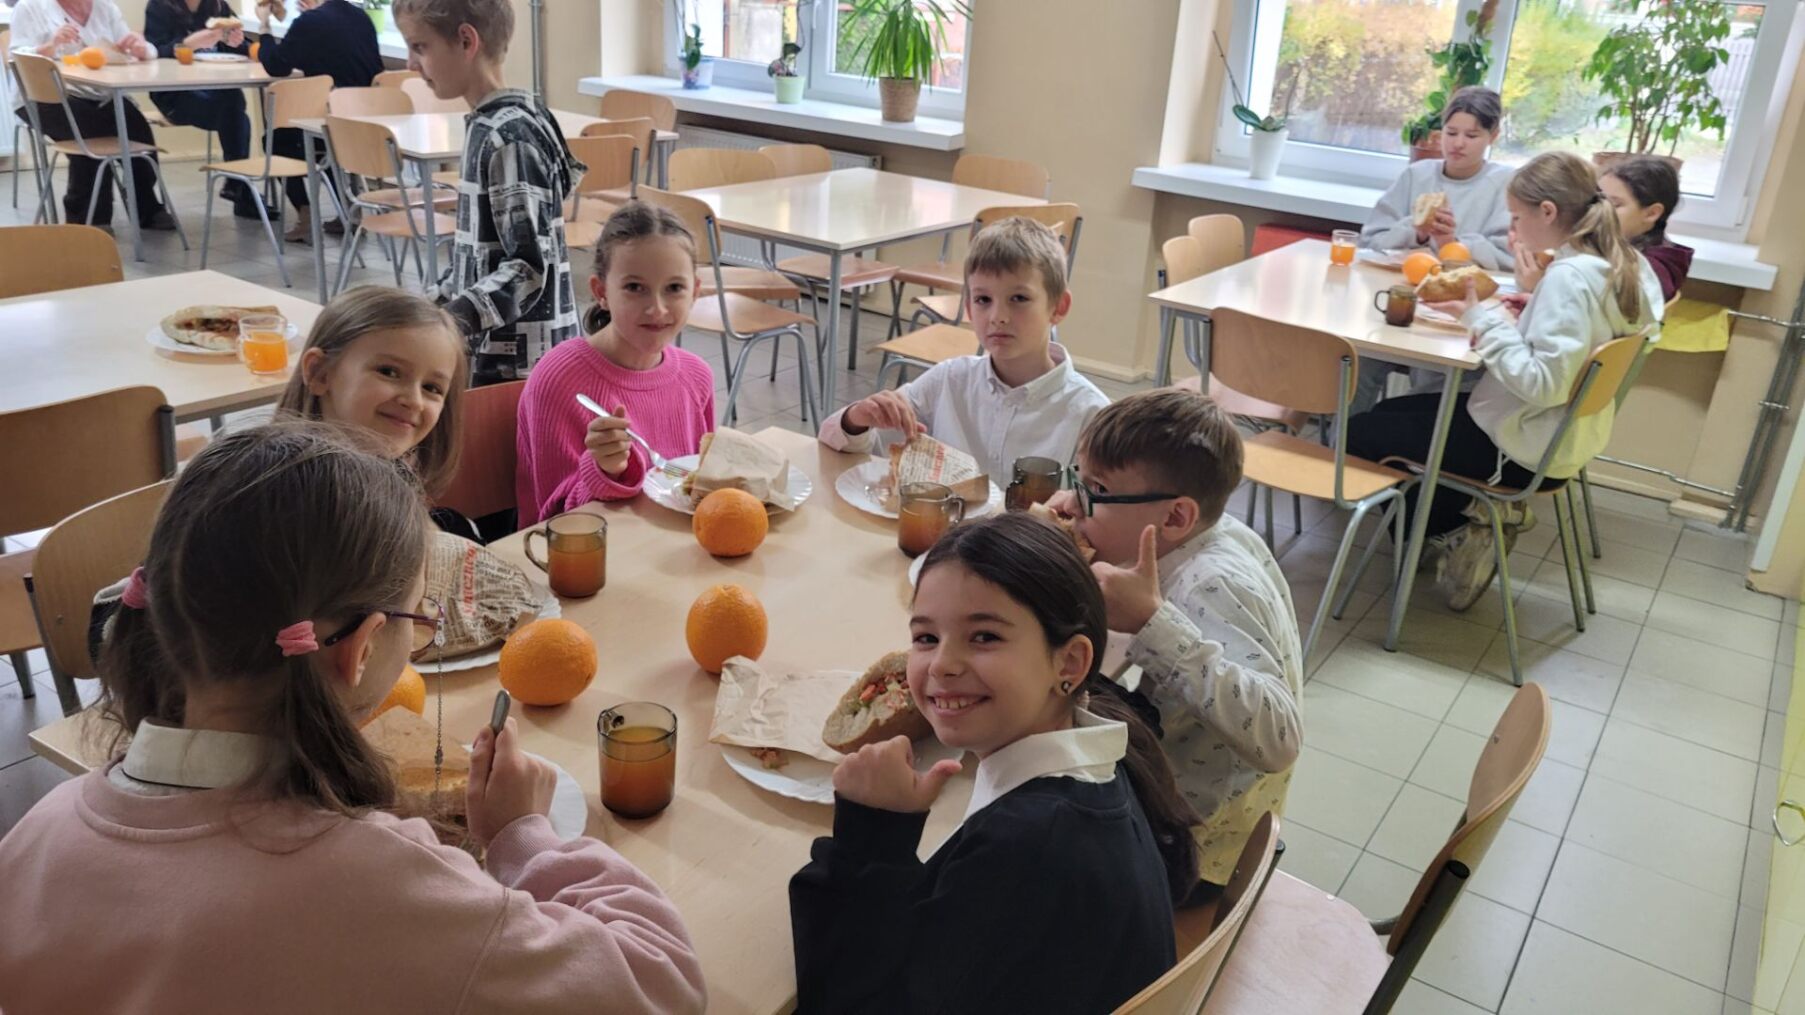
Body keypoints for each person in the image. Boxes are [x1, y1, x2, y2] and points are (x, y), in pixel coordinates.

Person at [0, 424, 707, 1014]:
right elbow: (660, 981)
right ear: (362, 648)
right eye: (417, 618)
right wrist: (525, 837)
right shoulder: (386, 885)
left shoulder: (36, 834)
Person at [790, 512, 1197, 1014]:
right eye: (926, 637)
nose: (942, 664)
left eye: (984, 637)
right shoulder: (1103, 757)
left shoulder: (1029, 849)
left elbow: (838, 1002)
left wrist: (870, 834)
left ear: (1070, 663)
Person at [1346, 151, 1665, 610]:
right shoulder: (1621, 261)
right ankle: (1439, 527)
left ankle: (1457, 529)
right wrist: (1531, 308)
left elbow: (1545, 385)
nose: (1513, 227)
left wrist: (1480, 319)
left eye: (1516, 217)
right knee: (1391, 414)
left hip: (1520, 446)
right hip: (1557, 435)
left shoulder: (1568, 277)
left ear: (1548, 212)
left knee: (1361, 434)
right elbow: (1584, 339)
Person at [1046, 388, 1303, 901]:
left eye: (1096, 490)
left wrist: (1152, 623)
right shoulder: (1209, 532)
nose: (1073, 503)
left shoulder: (1211, 583)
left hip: (1194, 848)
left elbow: (1281, 737)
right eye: (1078, 479)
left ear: (1175, 518)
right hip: (1180, 793)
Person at [817, 216, 1109, 485]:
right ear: (968, 308)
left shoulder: (1090, 415)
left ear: (1058, 307)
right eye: (983, 300)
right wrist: (857, 419)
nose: (998, 316)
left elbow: (1104, 513)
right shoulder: (949, 380)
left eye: (1019, 298)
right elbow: (836, 442)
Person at [394, 0, 584, 384]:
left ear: (466, 41)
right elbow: (480, 257)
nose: (411, 64)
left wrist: (452, 319)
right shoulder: (492, 123)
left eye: (419, 47)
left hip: (519, 371)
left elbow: (528, 268)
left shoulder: (508, 136)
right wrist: (425, 307)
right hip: (496, 353)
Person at [514, 201, 713, 525]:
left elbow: (697, 487)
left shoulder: (696, 376)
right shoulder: (559, 378)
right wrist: (605, 471)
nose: (657, 309)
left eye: (675, 288)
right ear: (601, 292)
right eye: (635, 287)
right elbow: (554, 519)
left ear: (695, 292)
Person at [1354, 86, 1513, 412]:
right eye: (1451, 133)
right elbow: (1370, 241)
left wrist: (1453, 242)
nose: (1458, 143)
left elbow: (1508, 259)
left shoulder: (1505, 184)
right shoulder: (1417, 175)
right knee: (1360, 359)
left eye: (1472, 135)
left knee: (1435, 371)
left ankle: (1407, 436)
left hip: (1456, 317)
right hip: (1398, 300)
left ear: (1493, 136)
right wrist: (1416, 231)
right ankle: (1346, 439)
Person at [276, 285, 467, 498]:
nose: (415, 401)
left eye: (431, 388)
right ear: (319, 372)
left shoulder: (397, 481)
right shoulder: (283, 496)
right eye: (389, 372)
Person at [8, 0, 175, 229]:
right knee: (90, 136)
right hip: (44, 97)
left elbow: (141, 50)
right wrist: (50, 46)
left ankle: (146, 207)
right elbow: (16, 56)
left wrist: (141, 48)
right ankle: (89, 219)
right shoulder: (31, 7)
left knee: (137, 130)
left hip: (98, 94)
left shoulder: (106, 8)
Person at [252, 0, 383, 241]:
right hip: (365, 121)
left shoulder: (310, 22)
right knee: (325, 145)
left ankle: (305, 215)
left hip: (332, 122)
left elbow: (276, 65)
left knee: (277, 140)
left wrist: (264, 27)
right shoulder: (360, 17)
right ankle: (347, 212)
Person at [141, 0, 262, 219]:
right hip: (176, 95)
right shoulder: (160, 6)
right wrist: (187, 44)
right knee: (235, 112)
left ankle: (238, 185)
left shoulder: (217, 6)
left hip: (214, 91)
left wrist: (238, 42)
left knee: (233, 102)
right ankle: (239, 186)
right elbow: (153, 52)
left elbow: (239, 45)